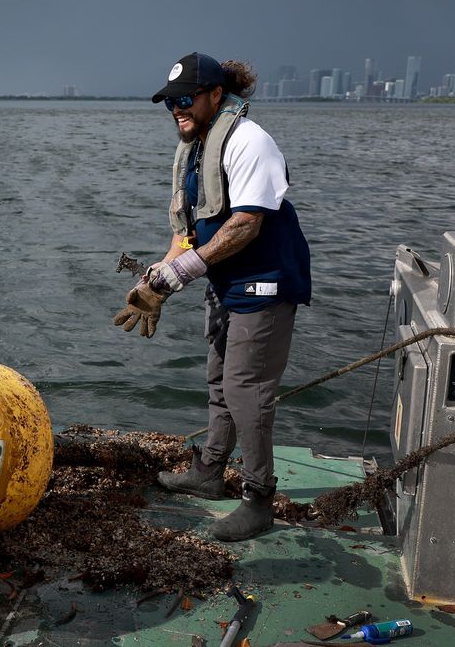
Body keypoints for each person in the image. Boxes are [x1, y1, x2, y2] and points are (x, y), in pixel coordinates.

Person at [113, 52, 311, 542]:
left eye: (185, 100)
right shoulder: (197, 150)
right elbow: (188, 237)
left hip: (265, 283)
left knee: (247, 387)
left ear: (216, 95)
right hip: (227, 285)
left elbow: (245, 224)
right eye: (169, 103)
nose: (177, 109)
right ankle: (210, 473)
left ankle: (259, 498)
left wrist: (177, 276)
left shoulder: (248, 141)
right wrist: (151, 283)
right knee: (219, 380)